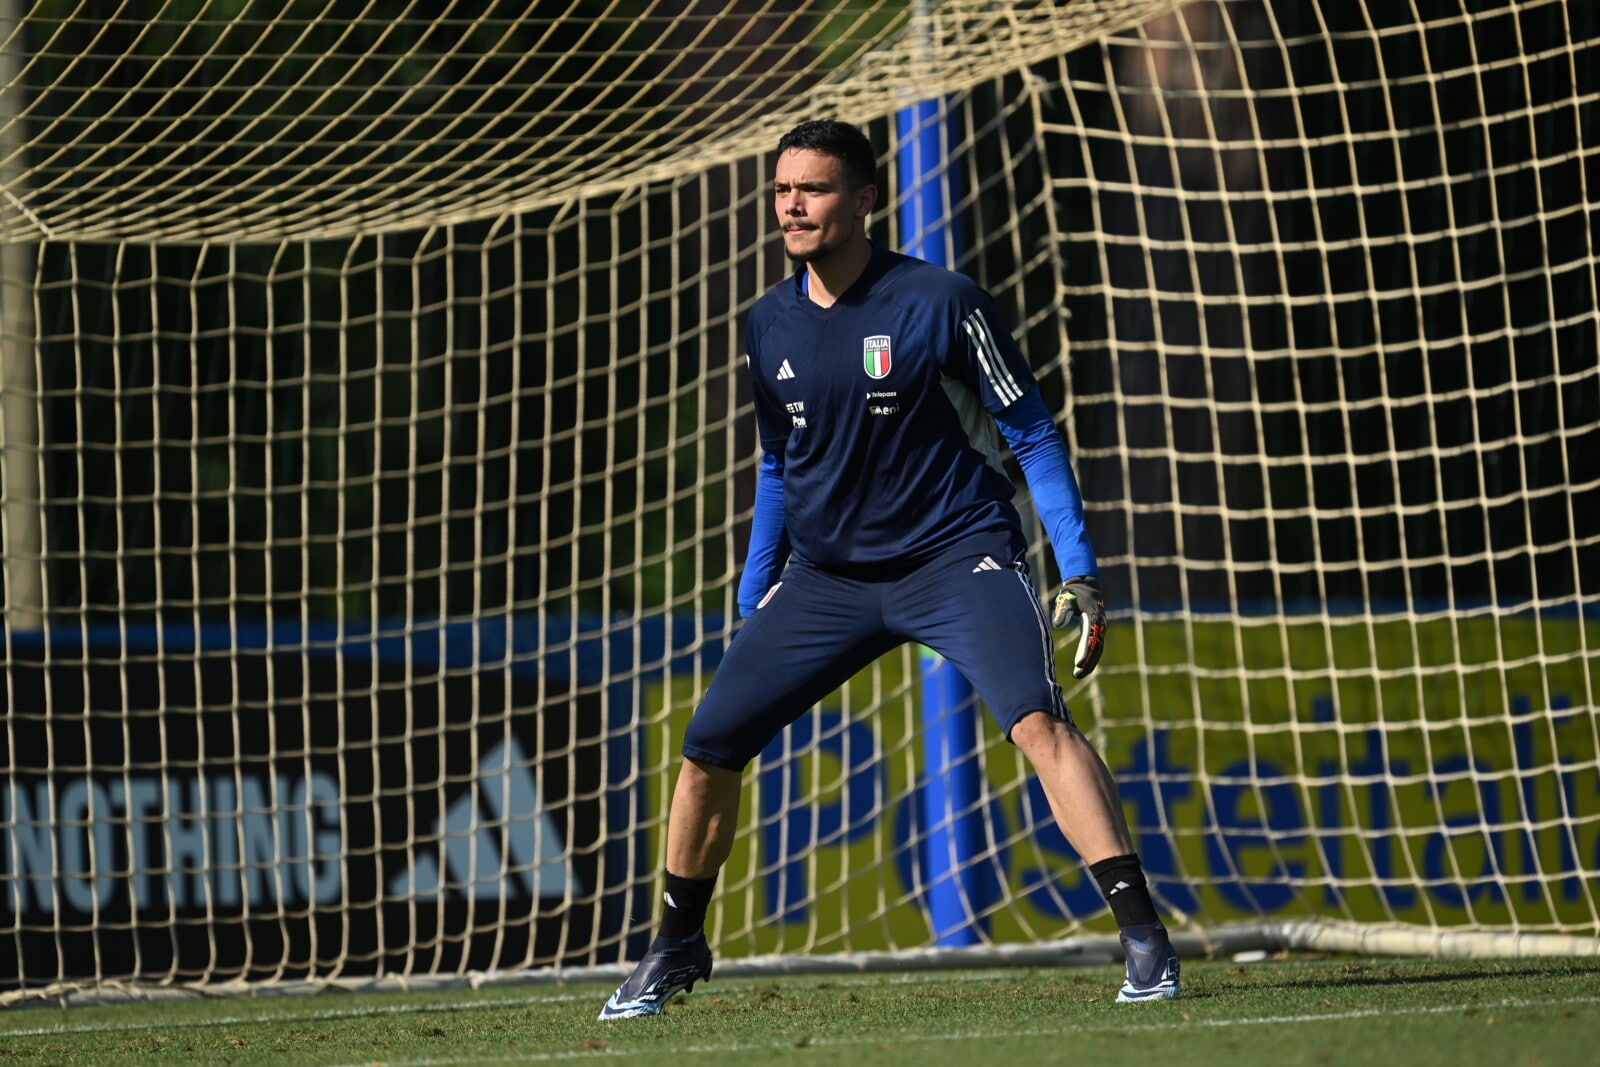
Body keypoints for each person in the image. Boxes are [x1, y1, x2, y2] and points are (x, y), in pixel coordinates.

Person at [599, 118, 1179, 1020]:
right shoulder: (767, 321)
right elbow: (778, 463)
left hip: (956, 556)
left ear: (865, 199)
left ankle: (1144, 938)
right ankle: (674, 946)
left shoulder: (942, 301)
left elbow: (1030, 431)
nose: (792, 205)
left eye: (815, 188)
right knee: (709, 745)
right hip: (826, 580)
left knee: (1038, 722)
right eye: (782, 189)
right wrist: (755, 588)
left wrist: (1079, 569)